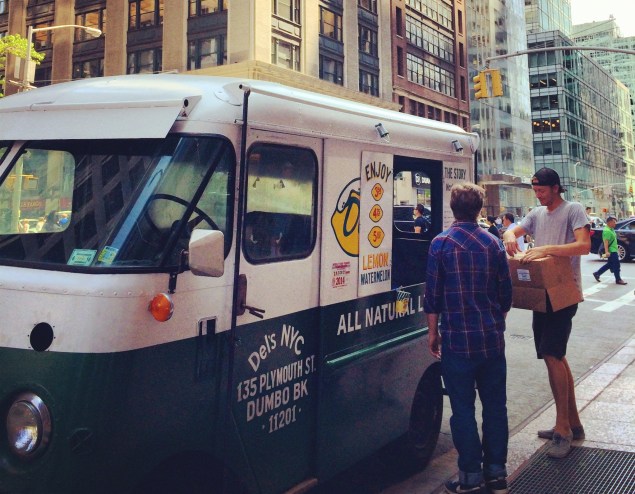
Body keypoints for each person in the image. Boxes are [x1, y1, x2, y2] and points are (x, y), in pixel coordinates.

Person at [425, 183, 512, 494]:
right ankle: (497, 474)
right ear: (479, 208)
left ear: (452, 207)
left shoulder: (441, 243)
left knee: (462, 409)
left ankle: (470, 478)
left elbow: (432, 296)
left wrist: (433, 333)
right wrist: (493, 322)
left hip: (458, 344)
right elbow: (506, 297)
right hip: (492, 343)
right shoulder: (494, 244)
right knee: (495, 407)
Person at [503, 167, 590, 459]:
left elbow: (584, 246)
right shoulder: (536, 213)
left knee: (552, 354)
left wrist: (545, 250)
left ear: (555, 188)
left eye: (542, 190)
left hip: (564, 292)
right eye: (535, 190)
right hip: (543, 293)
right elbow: (514, 229)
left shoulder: (573, 209)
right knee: (554, 354)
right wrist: (507, 235)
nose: (538, 195)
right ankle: (573, 423)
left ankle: (562, 428)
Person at [593, 216, 627, 285]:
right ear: (609, 222)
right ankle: (618, 279)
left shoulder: (611, 229)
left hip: (614, 250)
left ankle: (597, 273)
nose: (615, 224)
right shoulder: (607, 231)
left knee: (610, 264)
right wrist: (607, 251)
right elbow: (606, 242)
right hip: (611, 251)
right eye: (614, 222)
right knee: (616, 265)